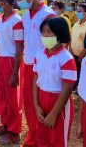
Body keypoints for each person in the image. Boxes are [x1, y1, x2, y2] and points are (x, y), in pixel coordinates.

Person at [12, 0, 55, 147]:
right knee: (30, 106)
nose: (18, 2)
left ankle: (42, 140)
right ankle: (33, 138)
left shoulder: (48, 15)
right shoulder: (27, 16)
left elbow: (56, 46)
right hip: (29, 65)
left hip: (43, 68)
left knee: (42, 107)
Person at [33, 17, 76, 146]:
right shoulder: (39, 55)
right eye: (43, 32)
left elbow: (67, 89)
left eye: (49, 32)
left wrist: (53, 114)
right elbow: (35, 80)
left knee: (57, 140)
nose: (45, 35)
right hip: (42, 98)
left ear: (59, 33)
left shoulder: (66, 58)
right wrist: (36, 106)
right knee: (42, 138)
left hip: (58, 102)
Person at [0, 0, 24, 145]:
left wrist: (15, 72)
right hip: (1, 60)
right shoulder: (0, 19)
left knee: (13, 99)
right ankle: (5, 123)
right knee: (2, 95)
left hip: (11, 62)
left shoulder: (17, 21)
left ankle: (15, 131)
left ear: (4, 2)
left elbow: (19, 48)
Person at [70, 3, 86, 92]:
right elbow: (72, 38)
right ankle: (74, 87)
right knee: (75, 71)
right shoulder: (76, 24)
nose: (77, 12)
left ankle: (80, 89)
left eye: (79, 11)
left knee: (82, 73)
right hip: (73, 54)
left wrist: (82, 54)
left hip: (83, 55)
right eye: (77, 10)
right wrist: (71, 50)